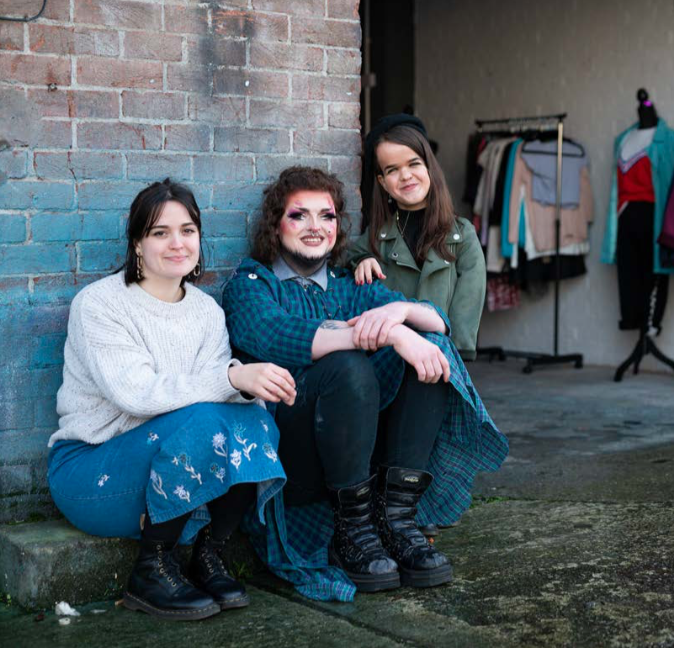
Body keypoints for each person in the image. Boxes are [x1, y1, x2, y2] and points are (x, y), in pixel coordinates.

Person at [222, 167, 507, 600]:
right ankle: (350, 532)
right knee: (349, 366)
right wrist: (388, 334)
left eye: (328, 216)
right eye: (300, 215)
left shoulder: (346, 286)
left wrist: (400, 319)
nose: (316, 228)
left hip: (354, 456)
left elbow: (438, 321)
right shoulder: (250, 284)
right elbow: (275, 335)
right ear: (275, 224)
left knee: (428, 347)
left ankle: (396, 520)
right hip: (293, 461)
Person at [47, 180, 291, 621]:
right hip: (93, 468)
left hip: (175, 460)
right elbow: (136, 394)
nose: (177, 243)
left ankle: (207, 551)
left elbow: (220, 402)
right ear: (137, 243)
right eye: (160, 233)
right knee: (207, 418)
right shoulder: (100, 305)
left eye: (188, 230)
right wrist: (233, 376)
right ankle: (152, 568)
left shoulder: (206, 312)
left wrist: (239, 386)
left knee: (255, 416)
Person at [349, 113, 486, 362]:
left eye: (413, 164)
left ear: (429, 167)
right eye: (392, 170)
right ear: (382, 182)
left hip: (444, 360)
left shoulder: (462, 234)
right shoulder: (376, 235)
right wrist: (362, 260)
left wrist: (457, 357)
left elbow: (468, 304)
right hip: (390, 362)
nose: (405, 175)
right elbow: (345, 262)